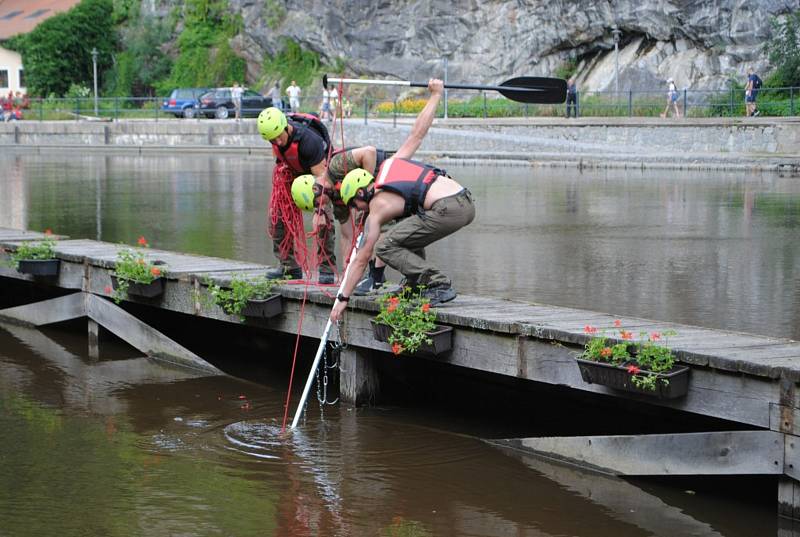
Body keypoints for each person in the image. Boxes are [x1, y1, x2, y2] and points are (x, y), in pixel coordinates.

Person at [329, 79, 476, 322]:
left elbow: (362, 258)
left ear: (359, 193)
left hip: (448, 208)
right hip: (464, 200)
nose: (356, 211)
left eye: (354, 206)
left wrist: (342, 299)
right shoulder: (390, 165)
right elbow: (417, 134)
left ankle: (436, 282)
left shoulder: (376, 207)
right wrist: (436, 95)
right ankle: (415, 283)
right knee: (403, 232)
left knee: (384, 246)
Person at [257, 106, 337, 283]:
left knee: (323, 218)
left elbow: (322, 181)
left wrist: (319, 209)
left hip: (318, 174)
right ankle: (288, 266)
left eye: (279, 136)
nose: (277, 141)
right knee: (276, 217)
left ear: (286, 127)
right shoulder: (274, 138)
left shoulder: (310, 142)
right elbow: (280, 159)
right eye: (272, 139)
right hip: (293, 172)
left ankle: (327, 268)